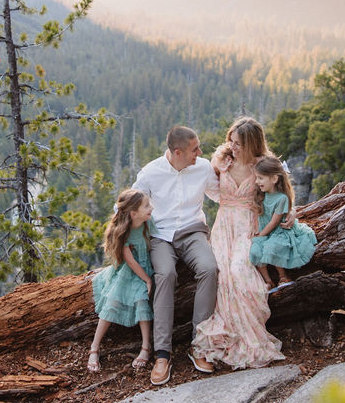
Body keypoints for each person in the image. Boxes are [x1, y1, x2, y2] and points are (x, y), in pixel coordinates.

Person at [191, 117, 284, 369]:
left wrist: (286, 217)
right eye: (231, 141)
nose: (234, 147)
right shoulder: (223, 161)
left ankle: (249, 336)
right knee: (221, 273)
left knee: (240, 271)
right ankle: (227, 335)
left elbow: (282, 194)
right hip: (224, 225)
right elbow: (211, 189)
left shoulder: (263, 166)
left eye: (240, 143)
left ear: (253, 144)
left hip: (249, 225)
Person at [132, 126, 220, 386]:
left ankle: (199, 346)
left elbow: (222, 196)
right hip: (160, 236)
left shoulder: (203, 167)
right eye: (195, 149)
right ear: (177, 152)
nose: (200, 153)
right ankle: (162, 354)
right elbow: (127, 204)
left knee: (209, 268)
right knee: (166, 274)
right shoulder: (151, 172)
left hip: (193, 231)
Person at [88, 189, 155, 372]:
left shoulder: (149, 223)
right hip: (130, 272)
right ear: (133, 214)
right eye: (147, 206)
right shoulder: (123, 233)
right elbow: (131, 262)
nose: (151, 208)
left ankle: (145, 347)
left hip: (146, 269)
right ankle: (94, 348)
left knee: (142, 300)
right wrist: (148, 280)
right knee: (112, 301)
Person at [250, 155, 317, 291]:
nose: (257, 182)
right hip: (264, 231)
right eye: (257, 178)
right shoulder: (262, 195)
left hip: (277, 232)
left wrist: (261, 234)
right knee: (255, 250)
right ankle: (268, 281)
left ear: (274, 179)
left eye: (260, 178)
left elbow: (274, 222)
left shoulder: (281, 198)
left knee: (271, 247)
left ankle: (283, 277)